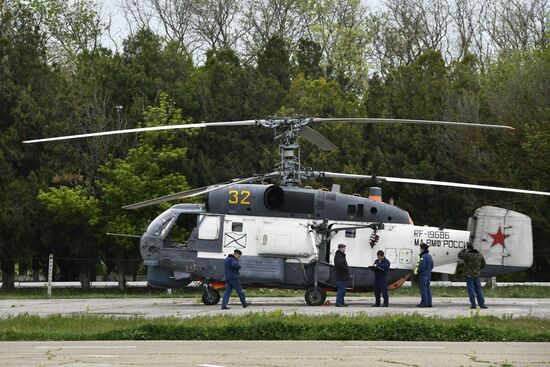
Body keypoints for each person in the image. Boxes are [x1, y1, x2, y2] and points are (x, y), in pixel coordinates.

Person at [458, 243, 488, 309]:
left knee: (471, 290)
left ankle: (473, 305)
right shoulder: (480, 255)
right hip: (477, 275)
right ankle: (482, 304)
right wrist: (478, 270)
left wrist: (464, 249)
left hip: (469, 276)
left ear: (468, 249)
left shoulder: (468, 255)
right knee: (479, 289)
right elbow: (483, 265)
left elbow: (459, 255)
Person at [415, 243, 433, 307]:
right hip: (428, 274)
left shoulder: (423, 257)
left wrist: (418, 271)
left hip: (423, 274)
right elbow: (432, 266)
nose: (420, 250)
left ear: (422, 249)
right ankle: (429, 303)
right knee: (428, 288)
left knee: (423, 289)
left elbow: (422, 266)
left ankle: (424, 303)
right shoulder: (429, 256)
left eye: (420, 248)